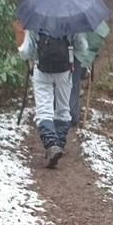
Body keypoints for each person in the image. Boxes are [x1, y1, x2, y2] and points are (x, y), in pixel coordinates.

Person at [19, 26, 88, 168]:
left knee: (44, 111)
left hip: (41, 69)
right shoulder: (71, 21)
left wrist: (28, 55)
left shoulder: (36, 22)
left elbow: (25, 52)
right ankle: (59, 144)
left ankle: (51, 145)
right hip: (64, 70)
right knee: (63, 109)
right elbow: (82, 47)